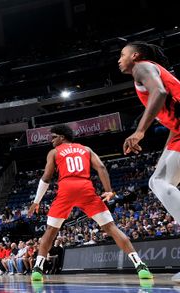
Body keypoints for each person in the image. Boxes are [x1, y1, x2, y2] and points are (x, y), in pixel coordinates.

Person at [27, 124, 152, 282]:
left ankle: (37, 268)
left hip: (66, 188)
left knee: (50, 231)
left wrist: (36, 201)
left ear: (62, 137)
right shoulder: (86, 149)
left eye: (53, 137)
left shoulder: (54, 152)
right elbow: (101, 167)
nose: (51, 141)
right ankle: (140, 265)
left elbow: (46, 178)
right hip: (85, 188)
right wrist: (108, 190)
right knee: (111, 227)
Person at [118, 41, 180, 281]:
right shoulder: (148, 70)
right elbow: (175, 127)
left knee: (160, 183)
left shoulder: (142, 67)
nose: (119, 59)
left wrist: (139, 131)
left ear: (135, 55)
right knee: (158, 181)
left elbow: (159, 93)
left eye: (122, 55)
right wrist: (163, 156)